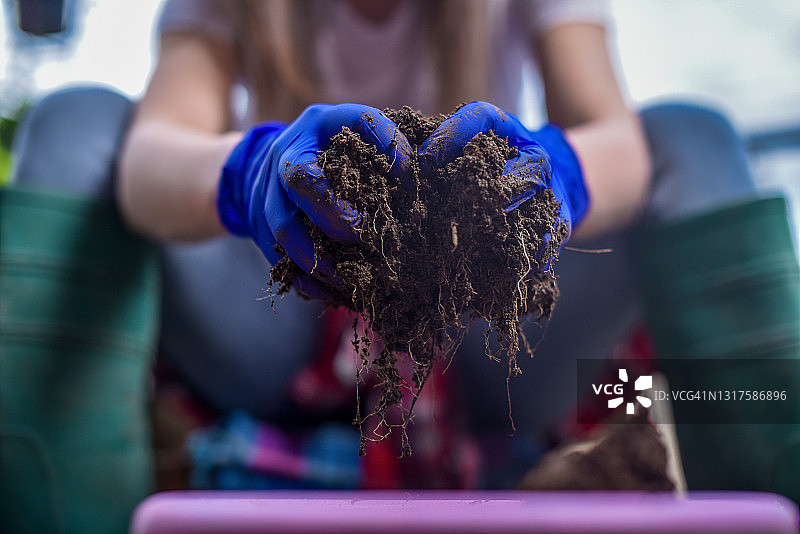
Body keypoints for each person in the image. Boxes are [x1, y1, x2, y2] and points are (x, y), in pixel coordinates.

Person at [108, 0, 798, 493]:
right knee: (82, 127)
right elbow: (150, 158)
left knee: (692, 136)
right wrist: (245, 173)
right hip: (283, 319)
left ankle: (769, 485)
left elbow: (614, 133)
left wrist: (566, 172)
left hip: (484, 341)